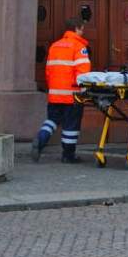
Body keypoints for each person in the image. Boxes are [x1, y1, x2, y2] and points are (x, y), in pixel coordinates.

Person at [31, 16, 91, 164]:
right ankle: (68, 155)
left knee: (52, 120)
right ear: (76, 28)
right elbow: (82, 74)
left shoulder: (54, 46)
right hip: (73, 94)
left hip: (55, 93)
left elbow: (48, 71)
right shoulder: (78, 47)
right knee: (71, 125)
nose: (83, 32)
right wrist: (84, 91)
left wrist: (52, 88)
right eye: (82, 29)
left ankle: (40, 140)